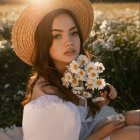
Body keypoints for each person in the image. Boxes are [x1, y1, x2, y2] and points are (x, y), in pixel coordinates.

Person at [11, 0, 140, 140]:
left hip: (85, 131)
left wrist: (98, 102)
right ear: (44, 42)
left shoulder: (69, 74)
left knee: (136, 117)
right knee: (135, 133)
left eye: (73, 33)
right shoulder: (48, 101)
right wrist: (102, 133)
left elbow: (77, 118)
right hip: (90, 137)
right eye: (57, 36)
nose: (69, 41)